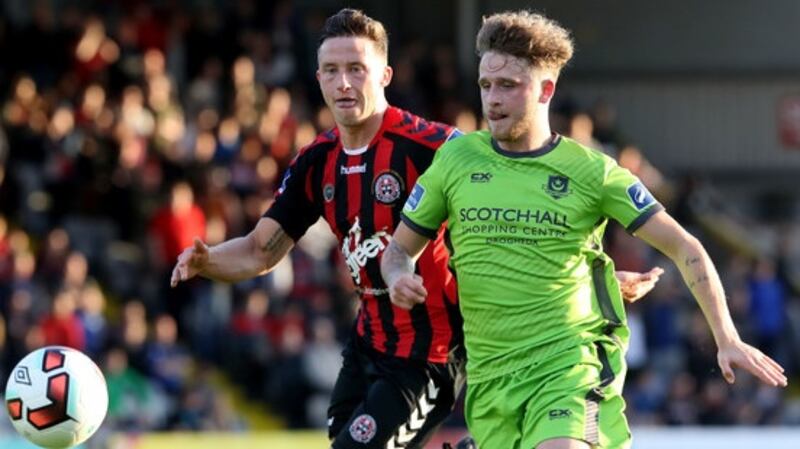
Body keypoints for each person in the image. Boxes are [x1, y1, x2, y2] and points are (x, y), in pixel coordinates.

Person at [172, 9, 660, 449]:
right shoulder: (316, 162)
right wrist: (207, 259)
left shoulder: (439, 149)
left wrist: (582, 278)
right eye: (331, 71)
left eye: (356, 69)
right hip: (368, 344)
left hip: (434, 352)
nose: (344, 83)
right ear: (318, 77)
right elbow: (261, 250)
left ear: (383, 75)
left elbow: (523, 208)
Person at [381, 10, 787, 449]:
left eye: (507, 86)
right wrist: (398, 276)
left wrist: (727, 338)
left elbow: (685, 245)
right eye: (485, 85)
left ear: (546, 90)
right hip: (489, 380)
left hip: (568, 369)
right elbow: (398, 251)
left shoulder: (591, 171)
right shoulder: (457, 161)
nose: (492, 99)